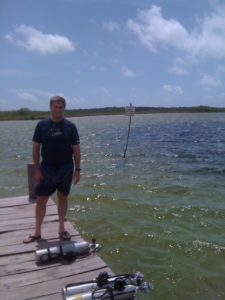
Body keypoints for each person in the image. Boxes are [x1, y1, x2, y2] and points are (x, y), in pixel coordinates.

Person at [23, 96, 81, 243]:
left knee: (63, 197)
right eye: (55, 107)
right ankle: (37, 232)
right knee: (41, 200)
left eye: (60, 107)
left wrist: (78, 169)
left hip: (66, 168)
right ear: (50, 107)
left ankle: (61, 229)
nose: (58, 110)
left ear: (64, 109)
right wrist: (37, 169)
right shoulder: (41, 125)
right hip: (47, 168)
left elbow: (76, 149)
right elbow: (36, 148)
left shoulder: (70, 126)